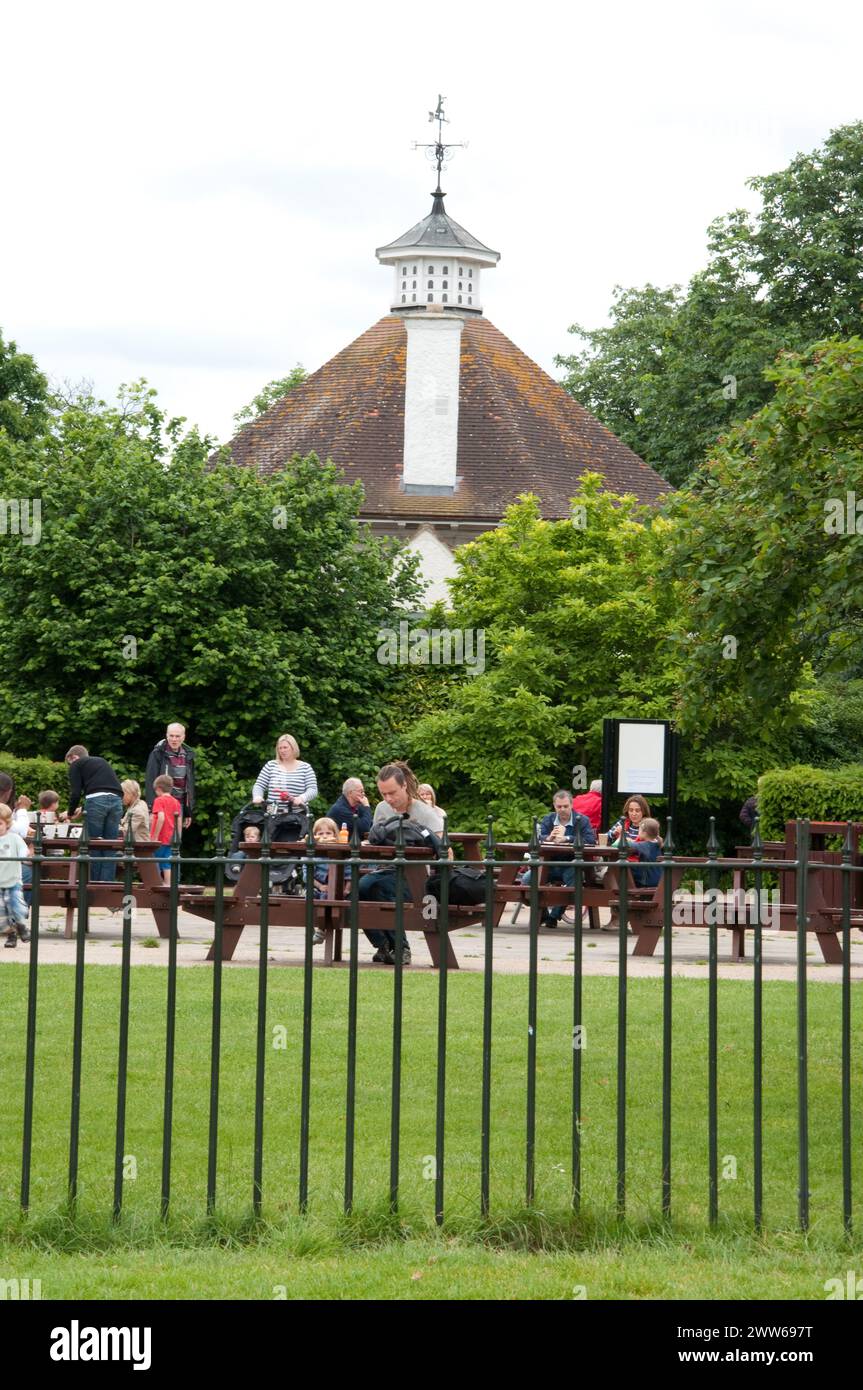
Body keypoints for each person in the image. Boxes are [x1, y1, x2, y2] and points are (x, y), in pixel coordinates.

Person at [359, 762, 444, 966]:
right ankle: (383, 945)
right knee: (358, 889)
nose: (388, 799)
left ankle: (400, 947)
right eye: (383, 794)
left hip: (417, 878)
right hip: (386, 870)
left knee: (377, 888)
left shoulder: (425, 813)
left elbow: (442, 850)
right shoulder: (382, 809)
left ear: (404, 786)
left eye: (392, 793)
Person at [526, 789, 597, 928]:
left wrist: (568, 838)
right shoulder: (549, 819)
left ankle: (554, 916)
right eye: (559, 807)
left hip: (571, 864)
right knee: (527, 880)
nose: (562, 809)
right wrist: (548, 837)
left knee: (574, 880)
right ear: (554, 806)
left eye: (565, 806)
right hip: (550, 863)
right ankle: (544, 913)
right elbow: (536, 838)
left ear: (571, 805)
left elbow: (590, 840)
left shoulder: (582, 820)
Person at [62, 746, 124, 882]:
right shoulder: (101, 762)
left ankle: (95, 886)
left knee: (94, 844)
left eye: (69, 763)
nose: (70, 766)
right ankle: (106, 887)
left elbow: (76, 792)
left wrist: (70, 813)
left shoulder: (76, 764)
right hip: (117, 801)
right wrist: (84, 806)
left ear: (73, 757)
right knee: (110, 846)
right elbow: (103, 789)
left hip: (96, 801)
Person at [145, 724, 196, 830]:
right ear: (166, 735)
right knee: (161, 839)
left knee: (176, 840)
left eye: (177, 736)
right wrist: (151, 809)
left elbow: (189, 784)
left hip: (179, 804)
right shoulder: (158, 753)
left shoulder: (188, 755)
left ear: (183, 737)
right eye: (171, 736)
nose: (174, 739)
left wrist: (188, 811)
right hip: (162, 804)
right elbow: (150, 781)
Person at [252, 735, 318, 809]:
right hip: (272, 814)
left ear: (293, 748)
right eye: (280, 748)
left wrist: (301, 798)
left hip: (297, 815)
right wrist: (257, 796)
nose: (282, 751)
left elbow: (313, 789)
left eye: (285, 747)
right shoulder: (271, 765)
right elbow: (259, 785)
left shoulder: (305, 767)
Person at [0, 803, 31, 947]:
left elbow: (23, 850)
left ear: (7, 824)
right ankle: (11, 935)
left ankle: (21, 925)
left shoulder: (14, 838)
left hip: (13, 880)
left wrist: (24, 855)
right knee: (2, 913)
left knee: (16, 906)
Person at [150, 775, 183, 883]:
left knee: (155, 862)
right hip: (171, 839)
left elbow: (161, 817)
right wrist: (177, 837)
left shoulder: (159, 800)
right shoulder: (176, 802)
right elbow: (178, 821)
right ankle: (168, 884)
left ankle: (157, 883)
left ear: (159, 789)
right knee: (167, 863)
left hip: (160, 838)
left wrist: (154, 837)